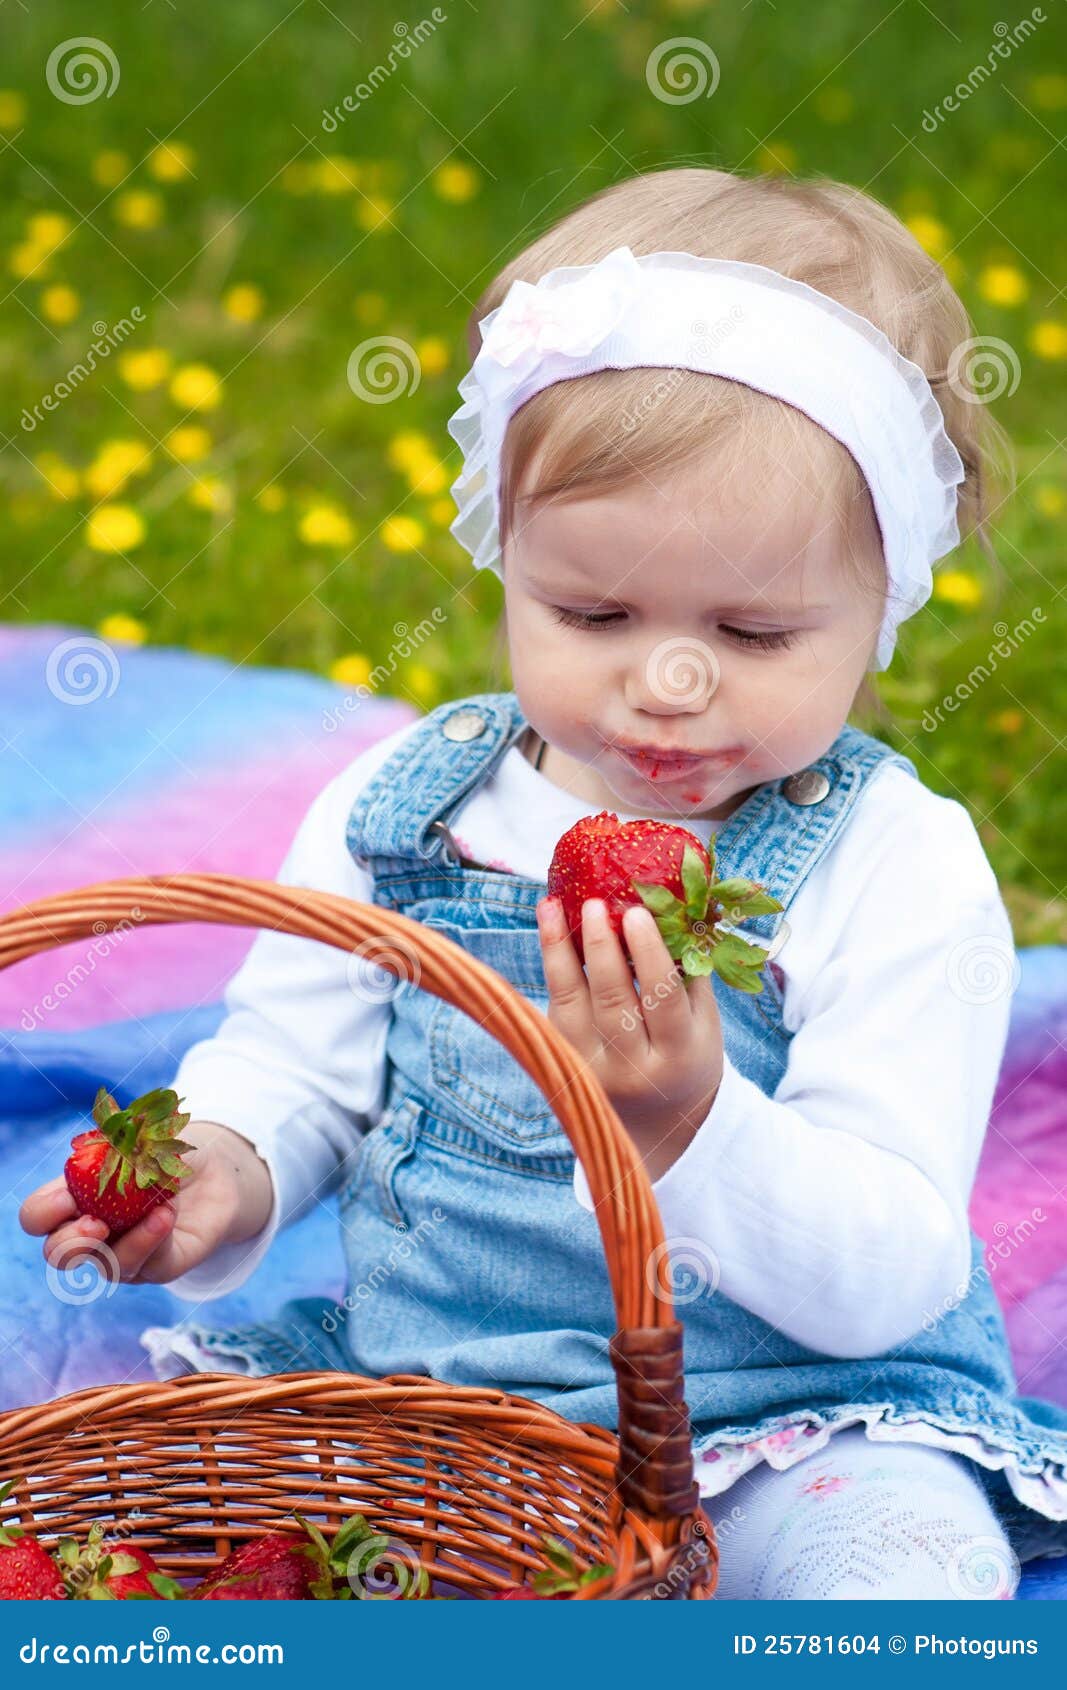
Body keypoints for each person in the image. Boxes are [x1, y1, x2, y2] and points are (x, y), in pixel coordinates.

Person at [20, 167, 1067, 1599]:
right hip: (456, 1419)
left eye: (755, 632)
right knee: (187, 1545)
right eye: (592, 612)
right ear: (501, 553)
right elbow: (295, 1068)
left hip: (783, 1431)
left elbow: (888, 1274)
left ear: (880, 604)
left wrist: (690, 1115)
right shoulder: (407, 815)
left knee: (904, 1570)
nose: (670, 679)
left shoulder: (889, 861)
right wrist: (221, 1173)